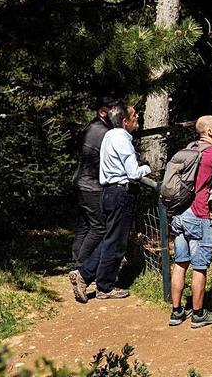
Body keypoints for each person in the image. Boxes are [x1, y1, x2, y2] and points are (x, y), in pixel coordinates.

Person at [70, 103, 151, 302]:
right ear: (125, 121)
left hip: (109, 192)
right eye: (134, 116)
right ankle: (101, 285)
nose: (137, 118)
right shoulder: (122, 139)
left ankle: (86, 276)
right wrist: (146, 169)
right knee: (115, 243)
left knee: (110, 239)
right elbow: (132, 173)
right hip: (120, 193)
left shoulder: (109, 136)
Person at [168, 115, 212, 328]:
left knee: (180, 264)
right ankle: (199, 314)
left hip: (179, 214)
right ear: (210, 131)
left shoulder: (188, 149)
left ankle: (176, 312)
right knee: (200, 266)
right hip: (198, 214)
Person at [69, 96, 121, 277]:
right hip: (92, 186)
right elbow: (116, 154)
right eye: (113, 109)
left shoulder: (93, 127)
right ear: (102, 112)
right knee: (98, 227)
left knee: (85, 225)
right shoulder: (102, 132)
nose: (117, 112)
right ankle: (81, 270)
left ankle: (77, 263)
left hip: (82, 182)